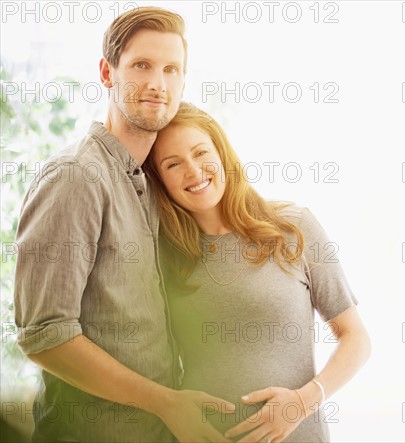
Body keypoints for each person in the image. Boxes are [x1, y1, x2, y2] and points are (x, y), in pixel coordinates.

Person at [13, 8, 233, 443]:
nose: (158, 84)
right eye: (141, 66)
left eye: (172, 69)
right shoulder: (76, 177)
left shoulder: (153, 181)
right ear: (107, 72)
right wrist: (166, 403)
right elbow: (45, 337)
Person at [144, 102, 371, 443]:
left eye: (200, 152)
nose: (193, 171)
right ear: (161, 180)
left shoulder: (293, 226)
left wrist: (302, 402)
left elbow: (356, 338)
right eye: (173, 164)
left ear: (222, 154)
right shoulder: (162, 255)